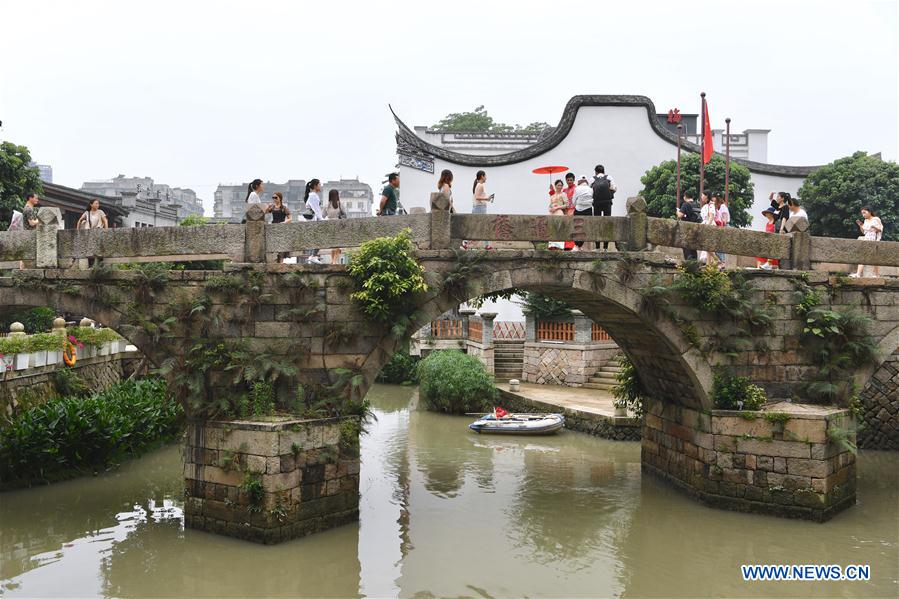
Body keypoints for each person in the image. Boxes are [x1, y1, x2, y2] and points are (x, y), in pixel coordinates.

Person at [851, 206, 884, 278]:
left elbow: (880, 230)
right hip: (866, 238)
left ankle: (876, 274)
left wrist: (874, 227)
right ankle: (858, 274)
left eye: (864, 213)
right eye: (862, 213)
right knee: (863, 256)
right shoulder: (865, 221)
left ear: (869, 212)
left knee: (874, 258)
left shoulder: (876, 219)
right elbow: (864, 232)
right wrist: (860, 225)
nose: (863, 215)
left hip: (874, 239)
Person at [591, 165, 617, 249]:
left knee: (597, 224)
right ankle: (605, 247)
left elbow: (590, 191)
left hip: (597, 204)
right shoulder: (609, 177)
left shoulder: (592, 179)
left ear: (596, 172)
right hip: (607, 203)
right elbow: (614, 188)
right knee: (607, 224)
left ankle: (597, 247)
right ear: (603, 171)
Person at [470, 170, 494, 250]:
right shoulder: (480, 185)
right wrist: (486, 198)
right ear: (482, 176)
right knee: (483, 226)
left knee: (479, 226)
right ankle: (486, 245)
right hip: (479, 208)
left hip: (479, 207)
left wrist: (487, 199)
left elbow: (478, 198)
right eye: (485, 176)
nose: (486, 178)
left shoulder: (478, 185)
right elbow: (477, 197)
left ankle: (486, 245)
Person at [676, 191, 702, 261]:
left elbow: (680, 215)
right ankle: (694, 261)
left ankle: (689, 260)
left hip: (687, 228)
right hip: (696, 228)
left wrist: (677, 212)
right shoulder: (697, 204)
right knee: (693, 246)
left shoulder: (685, 204)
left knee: (685, 245)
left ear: (685, 197)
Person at [303, 179, 323, 264]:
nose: (320, 186)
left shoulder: (311, 195)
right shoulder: (313, 196)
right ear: (315, 186)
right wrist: (321, 219)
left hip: (311, 220)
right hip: (314, 220)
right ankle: (313, 256)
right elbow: (316, 209)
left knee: (314, 238)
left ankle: (312, 257)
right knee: (319, 238)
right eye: (319, 184)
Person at [572, 175, 594, 250]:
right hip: (588, 210)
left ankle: (576, 245)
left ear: (579, 181)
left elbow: (573, 201)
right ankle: (580, 246)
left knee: (577, 228)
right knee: (585, 228)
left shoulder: (577, 188)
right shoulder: (590, 189)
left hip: (579, 209)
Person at [325, 189, 346, 264]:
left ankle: (333, 260)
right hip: (338, 225)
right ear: (337, 195)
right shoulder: (340, 204)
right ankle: (334, 261)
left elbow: (322, 215)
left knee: (332, 244)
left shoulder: (327, 205)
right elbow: (344, 214)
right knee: (337, 244)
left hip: (329, 226)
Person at [713, 194, 730, 270]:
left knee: (720, 246)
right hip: (719, 227)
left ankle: (722, 262)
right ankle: (719, 261)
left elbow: (725, 220)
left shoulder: (723, 207)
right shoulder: (717, 207)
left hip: (723, 227)